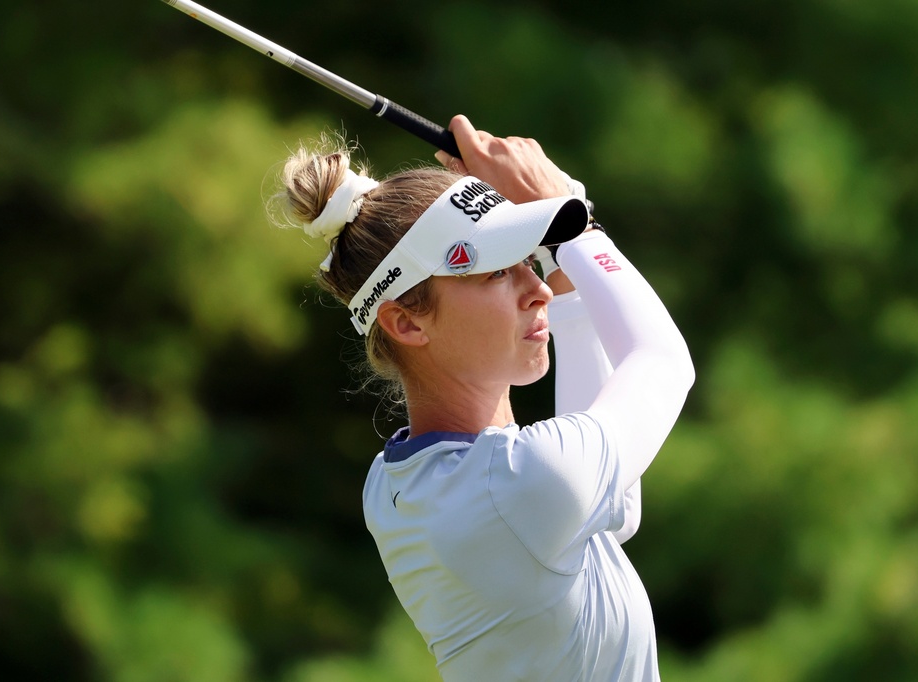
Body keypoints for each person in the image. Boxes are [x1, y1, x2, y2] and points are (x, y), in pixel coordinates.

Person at [273, 115, 695, 681]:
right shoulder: (521, 483)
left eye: (528, 260)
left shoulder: (398, 485)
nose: (538, 289)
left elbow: (609, 509)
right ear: (406, 322)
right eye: (496, 272)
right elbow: (663, 360)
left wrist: (563, 246)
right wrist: (580, 227)